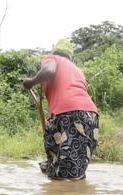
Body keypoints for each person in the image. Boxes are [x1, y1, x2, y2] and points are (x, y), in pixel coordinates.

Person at [23, 39, 99, 180]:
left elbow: (49, 71)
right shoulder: (77, 70)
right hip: (90, 117)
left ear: (54, 51)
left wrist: (30, 82)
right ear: (70, 56)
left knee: (65, 176)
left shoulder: (52, 59)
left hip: (69, 115)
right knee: (75, 170)